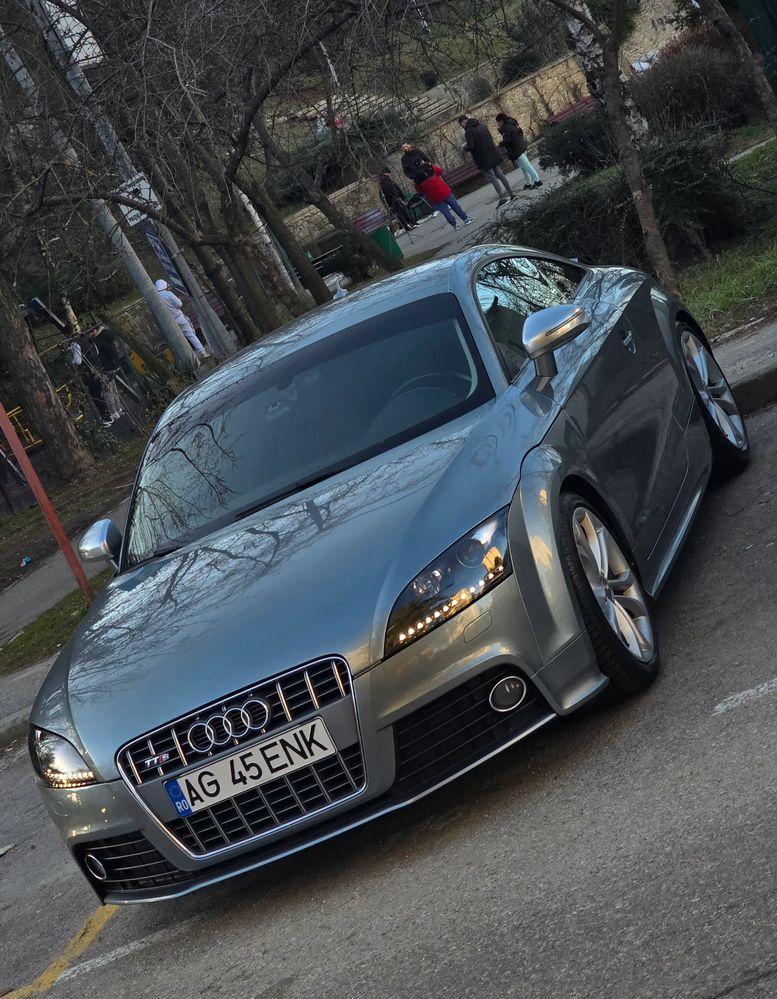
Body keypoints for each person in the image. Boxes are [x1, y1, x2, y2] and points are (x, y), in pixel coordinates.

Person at [458, 115, 515, 206]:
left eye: (462, 125)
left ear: (464, 122)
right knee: (500, 174)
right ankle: (511, 193)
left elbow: (471, 146)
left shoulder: (469, 132)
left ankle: (502, 198)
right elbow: (490, 138)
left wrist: (465, 147)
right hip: (493, 153)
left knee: (492, 178)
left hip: (483, 158)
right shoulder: (482, 126)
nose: (462, 127)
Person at [154, 279, 209, 359]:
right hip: (179, 318)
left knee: (179, 341)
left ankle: (190, 358)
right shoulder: (168, 294)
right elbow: (179, 304)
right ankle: (203, 352)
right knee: (190, 335)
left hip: (169, 323)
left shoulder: (155, 298)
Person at [413, 163, 474, 230]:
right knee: (455, 206)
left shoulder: (415, 177)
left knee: (445, 210)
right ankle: (466, 219)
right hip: (443, 190)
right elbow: (440, 171)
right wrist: (432, 165)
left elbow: (419, 190)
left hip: (433, 196)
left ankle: (454, 225)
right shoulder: (428, 167)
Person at [495, 113, 542, 190]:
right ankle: (528, 183)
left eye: (498, 122)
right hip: (521, 146)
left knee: (527, 166)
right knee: (524, 167)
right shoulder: (513, 123)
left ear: (501, 120)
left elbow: (507, 140)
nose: (498, 124)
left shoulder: (505, 127)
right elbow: (519, 133)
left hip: (516, 150)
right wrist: (501, 130)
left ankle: (537, 180)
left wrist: (500, 144)